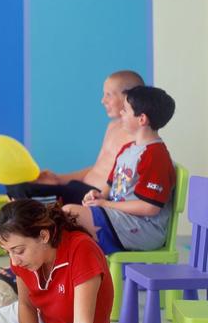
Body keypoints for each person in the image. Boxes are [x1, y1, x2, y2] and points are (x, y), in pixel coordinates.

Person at [64, 86, 176, 254]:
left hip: (143, 229)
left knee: (69, 214)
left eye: (125, 110)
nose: (121, 114)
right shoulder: (127, 149)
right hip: (121, 220)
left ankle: (46, 271)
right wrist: (98, 196)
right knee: (66, 218)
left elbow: (149, 207)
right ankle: (48, 271)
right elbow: (110, 187)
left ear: (142, 119)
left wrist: (106, 204)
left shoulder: (155, 156)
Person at [7, 70, 144, 205]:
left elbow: (125, 182)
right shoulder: (113, 127)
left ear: (128, 97)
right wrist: (59, 179)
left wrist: (103, 201)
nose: (103, 100)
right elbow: (97, 168)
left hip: (93, 197)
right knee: (14, 185)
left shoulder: (137, 136)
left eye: (108, 95)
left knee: (22, 192)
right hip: (79, 188)